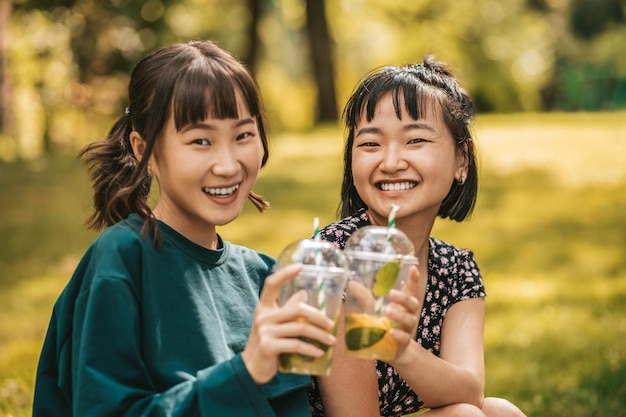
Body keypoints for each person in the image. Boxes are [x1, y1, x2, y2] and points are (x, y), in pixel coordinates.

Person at [32, 40, 336, 417]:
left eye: (243, 135)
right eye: (200, 141)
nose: (227, 165)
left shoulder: (264, 276)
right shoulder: (122, 261)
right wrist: (245, 371)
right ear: (144, 150)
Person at [308, 56, 527, 417]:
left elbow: (470, 390)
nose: (391, 161)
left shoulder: (456, 270)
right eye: (370, 144)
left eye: (415, 140)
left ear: (462, 160)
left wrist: (398, 348)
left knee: (500, 411)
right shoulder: (331, 260)